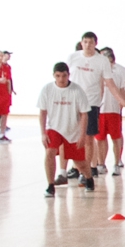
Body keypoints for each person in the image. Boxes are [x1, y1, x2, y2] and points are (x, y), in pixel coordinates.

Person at [38, 62, 93, 197]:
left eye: (64, 76)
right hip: (54, 128)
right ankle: (50, 185)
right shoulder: (47, 89)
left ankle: (89, 178)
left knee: (80, 163)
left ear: (68, 75)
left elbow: (84, 114)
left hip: (72, 130)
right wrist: (43, 133)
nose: (61, 79)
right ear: (53, 76)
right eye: (58, 76)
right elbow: (43, 112)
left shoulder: (77, 90)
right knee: (50, 152)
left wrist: (82, 135)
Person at [68, 32, 116, 176]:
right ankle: (76, 168)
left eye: (91, 42)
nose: (88, 45)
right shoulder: (72, 58)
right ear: (81, 43)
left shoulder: (101, 61)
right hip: (73, 103)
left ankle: (90, 168)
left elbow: (108, 84)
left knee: (89, 137)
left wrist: (123, 102)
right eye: (85, 42)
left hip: (91, 104)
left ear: (95, 44)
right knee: (73, 137)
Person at [96, 46, 125, 175]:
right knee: (100, 138)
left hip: (113, 110)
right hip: (100, 110)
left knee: (116, 137)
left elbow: (124, 89)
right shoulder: (97, 72)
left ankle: (117, 162)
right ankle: (100, 164)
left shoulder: (118, 71)